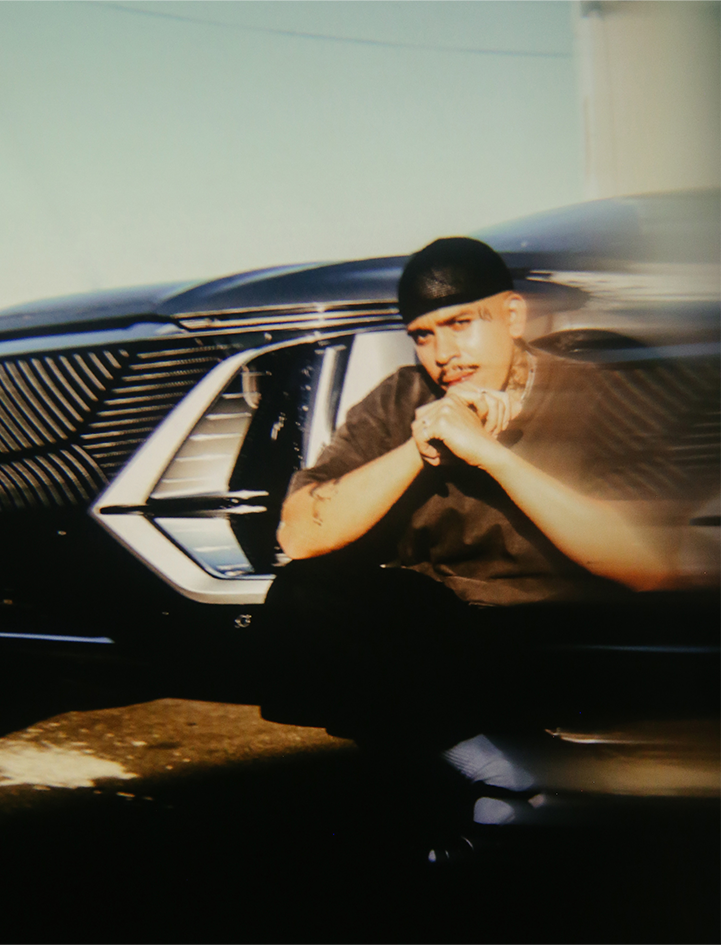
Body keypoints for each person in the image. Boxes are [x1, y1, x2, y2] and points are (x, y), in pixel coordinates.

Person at [261, 237, 679, 855]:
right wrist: (420, 448)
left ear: (512, 316)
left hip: (559, 633)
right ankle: (505, 772)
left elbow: (650, 566)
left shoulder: (593, 395)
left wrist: (490, 455)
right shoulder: (404, 399)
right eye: (423, 335)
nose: (443, 353)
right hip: (445, 637)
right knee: (303, 596)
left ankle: (501, 784)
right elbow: (299, 532)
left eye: (461, 324)